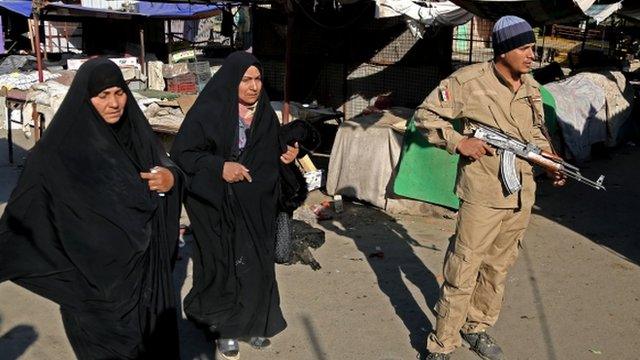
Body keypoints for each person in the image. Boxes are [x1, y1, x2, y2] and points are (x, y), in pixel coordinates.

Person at [0, 58, 183, 359]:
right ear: (86, 99)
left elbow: (167, 164)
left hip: (143, 277)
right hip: (91, 287)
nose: (114, 103)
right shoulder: (56, 153)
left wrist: (170, 177)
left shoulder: (135, 132)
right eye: (102, 96)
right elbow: (26, 213)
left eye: (119, 93)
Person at [415, 16, 566, 360]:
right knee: (464, 267)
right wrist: (458, 142)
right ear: (505, 50)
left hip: (520, 195)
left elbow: (536, 134)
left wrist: (552, 162)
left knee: (497, 269)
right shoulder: (468, 81)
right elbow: (426, 116)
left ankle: (476, 327)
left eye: (532, 47)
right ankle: (442, 344)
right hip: (482, 194)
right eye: (526, 48)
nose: (533, 55)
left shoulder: (529, 86)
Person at [171, 51, 299, 359]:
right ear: (232, 81)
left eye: (257, 79)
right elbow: (183, 154)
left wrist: (287, 158)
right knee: (222, 264)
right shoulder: (210, 112)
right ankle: (223, 329)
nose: (253, 87)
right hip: (216, 208)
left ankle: (255, 322)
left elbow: (271, 154)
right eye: (246, 80)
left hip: (256, 208)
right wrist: (219, 167)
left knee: (256, 264)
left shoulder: (265, 114)